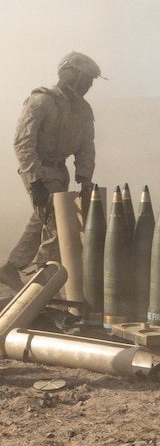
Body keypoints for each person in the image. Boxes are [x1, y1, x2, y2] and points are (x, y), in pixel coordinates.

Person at [2, 52, 101, 291]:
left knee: (41, 221)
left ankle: (12, 268)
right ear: (70, 75)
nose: (88, 86)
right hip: (39, 169)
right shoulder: (42, 101)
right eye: (85, 79)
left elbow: (87, 145)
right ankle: (40, 285)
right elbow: (23, 142)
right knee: (58, 227)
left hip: (59, 171)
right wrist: (35, 180)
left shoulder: (83, 110)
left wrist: (85, 178)